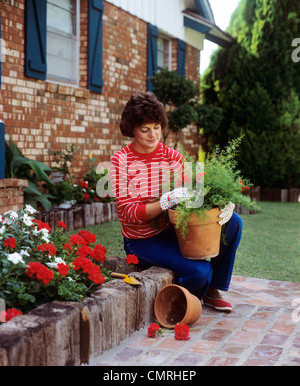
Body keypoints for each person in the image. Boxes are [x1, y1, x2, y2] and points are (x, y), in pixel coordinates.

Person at [109, 92, 243, 312]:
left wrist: (224, 201)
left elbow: (199, 191)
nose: (153, 135)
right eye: (145, 129)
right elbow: (128, 213)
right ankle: (175, 298)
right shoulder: (121, 161)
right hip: (142, 239)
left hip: (172, 228)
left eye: (157, 127)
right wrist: (165, 201)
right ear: (132, 129)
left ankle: (211, 290)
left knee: (233, 223)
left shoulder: (171, 156)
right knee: (200, 272)